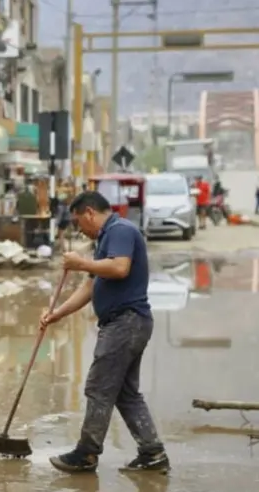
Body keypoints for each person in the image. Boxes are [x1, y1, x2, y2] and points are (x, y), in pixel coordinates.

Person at [40, 190, 169, 474]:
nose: (79, 228)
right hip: (129, 324)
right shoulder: (104, 240)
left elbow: (120, 268)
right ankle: (152, 452)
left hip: (126, 323)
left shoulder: (120, 230)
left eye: (78, 221)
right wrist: (56, 314)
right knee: (125, 393)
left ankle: (86, 454)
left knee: (99, 388)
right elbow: (90, 286)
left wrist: (80, 263)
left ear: (89, 212)